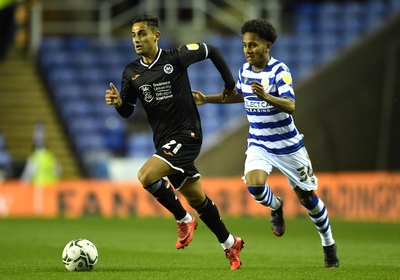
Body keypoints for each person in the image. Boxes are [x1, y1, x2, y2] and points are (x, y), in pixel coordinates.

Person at [192, 19, 339, 268]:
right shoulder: (244, 71)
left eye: (253, 45)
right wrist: (208, 98)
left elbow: (291, 105)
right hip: (259, 141)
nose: (248, 50)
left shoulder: (279, 71)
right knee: (255, 185)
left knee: (308, 199)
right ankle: (277, 206)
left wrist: (266, 96)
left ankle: (328, 244)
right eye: (245, 46)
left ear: (267, 46)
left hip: (288, 145)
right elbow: (239, 95)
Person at [104, 14, 244, 270]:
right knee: (197, 198)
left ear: (156, 36)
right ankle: (230, 243)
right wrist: (118, 103)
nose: (137, 39)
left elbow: (212, 50)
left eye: (142, 33)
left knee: (146, 175)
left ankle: (183, 219)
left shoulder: (175, 57)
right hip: (164, 142)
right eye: (134, 35)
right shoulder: (131, 72)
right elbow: (127, 111)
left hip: (187, 134)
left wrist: (230, 85)